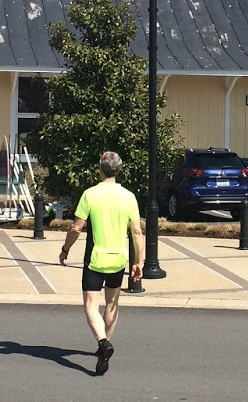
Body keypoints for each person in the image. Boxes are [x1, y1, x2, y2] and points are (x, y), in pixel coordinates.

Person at [59, 151, 144, 376]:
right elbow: (136, 232)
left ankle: (103, 342)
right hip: (119, 258)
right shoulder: (129, 196)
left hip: (95, 258)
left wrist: (65, 249)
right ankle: (103, 348)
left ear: (100, 168)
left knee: (90, 304)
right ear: (118, 170)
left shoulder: (90, 194)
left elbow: (76, 228)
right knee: (112, 303)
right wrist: (138, 262)